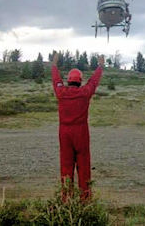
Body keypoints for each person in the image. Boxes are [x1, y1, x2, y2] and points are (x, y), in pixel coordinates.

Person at [51, 53, 104, 200]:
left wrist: (54, 66)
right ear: (80, 81)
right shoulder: (84, 92)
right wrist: (100, 67)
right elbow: (93, 82)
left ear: (68, 81)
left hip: (65, 132)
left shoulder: (62, 92)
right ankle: (85, 200)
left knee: (66, 166)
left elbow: (56, 80)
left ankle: (66, 199)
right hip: (81, 132)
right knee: (84, 166)